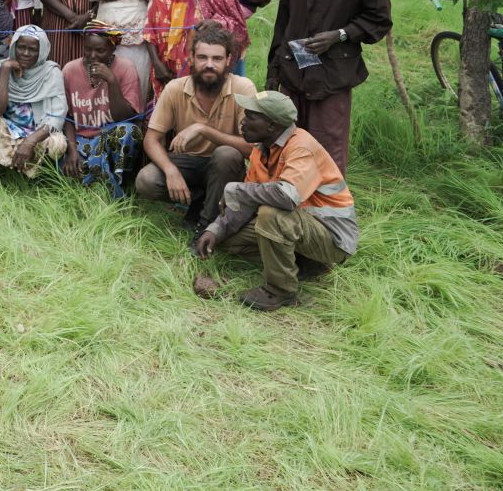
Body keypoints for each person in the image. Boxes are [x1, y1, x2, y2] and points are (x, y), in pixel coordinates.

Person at [194, 89, 358, 311]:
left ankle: (281, 291)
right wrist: (215, 229)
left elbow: (287, 197)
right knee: (229, 240)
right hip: (299, 225)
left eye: (251, 117)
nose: (243, 122)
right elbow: (247, 202)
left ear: (271, 125)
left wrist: (236, 189)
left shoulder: (301, 146)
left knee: (270, 215)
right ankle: (305, 264)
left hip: (333, 236)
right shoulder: (261, 149)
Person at [265, 0, 391, 174]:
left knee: (327, 148)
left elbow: (379, 19)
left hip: (333, 74)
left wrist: (340, 35)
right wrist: (273, 70)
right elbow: (283, 22)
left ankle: (330, 212)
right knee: (288, 145)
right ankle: (292, 210)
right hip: (293, 72)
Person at [133, 22, 254, 233]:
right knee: (146, 180)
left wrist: (204, 129)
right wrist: (170, 171)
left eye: (217, 59)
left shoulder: (243, 88)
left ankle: (206, 227)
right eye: (202, 58)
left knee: (225, 155)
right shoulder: (175, 89)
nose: (209, 64)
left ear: (228, 61)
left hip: (226, 168)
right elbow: (151, 140)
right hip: (187, 162)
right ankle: (201, 200)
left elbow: (252, 148)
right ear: (191, 59)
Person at [61, 20, 143, 197]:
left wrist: (112, 81)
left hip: (109, 136)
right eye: (88, 49)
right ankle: (104, 183)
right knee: (68, 163)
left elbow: (125, 117)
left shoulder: (126, 68)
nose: (92, 55)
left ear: (113, 49)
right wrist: (72, 150)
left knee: (129, 132)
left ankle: (110, 181)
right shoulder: (70, 70)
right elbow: (66, 117)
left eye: (100, 51)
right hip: (81, 140)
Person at [0, 25, 69, 179]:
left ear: (41, 51)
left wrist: (30, 141)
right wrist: (6, 69)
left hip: (39, 132)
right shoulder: (0, 68)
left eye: (33, 49)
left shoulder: (51, 72)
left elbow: (58, 117)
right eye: (21, 47)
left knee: (57, 143)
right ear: (14, 46)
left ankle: (39, 177)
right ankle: (6, 173)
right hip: (9, 129)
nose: (26, 53)